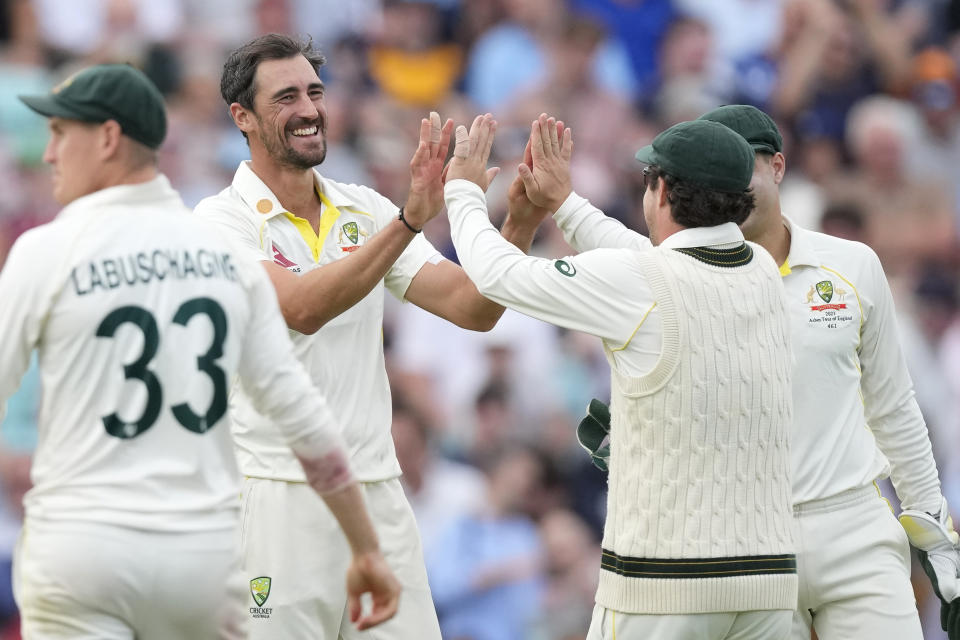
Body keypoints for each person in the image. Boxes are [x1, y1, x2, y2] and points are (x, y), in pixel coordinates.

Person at [0, 63, 400, 640]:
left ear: (108, 139)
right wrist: (366, 548)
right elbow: (305, 419)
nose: (49, 153)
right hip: (200, 560)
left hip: (82, 543)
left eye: (61, 134)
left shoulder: (46, 249)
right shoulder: (225, 255)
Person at [194, 33, 534, 639]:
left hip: (376, 493)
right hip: (277, 496)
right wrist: (408, 221)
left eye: (315, 92)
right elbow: (300, 308)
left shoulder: (365, 210)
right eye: (286, 97)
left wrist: (525, 217)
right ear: (241, 118)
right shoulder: (221, 221)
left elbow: (476, 308)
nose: (308, 109)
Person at [443, 112, 797, 639]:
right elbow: (647, 258)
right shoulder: (763, 271)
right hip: (767, 581)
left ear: (664, 192)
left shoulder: (642, 280)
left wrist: (463, 194)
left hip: (666, 582)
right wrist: (565, 202)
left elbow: (496, 274)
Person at [697, 105, 960, 640]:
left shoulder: (854, 263)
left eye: (743, 168)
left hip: (855, 529)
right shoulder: (684, 275)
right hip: (749, 539)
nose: (732, 190)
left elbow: (894, 408)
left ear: (778, 167)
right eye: (716, 175)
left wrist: (936, 532)